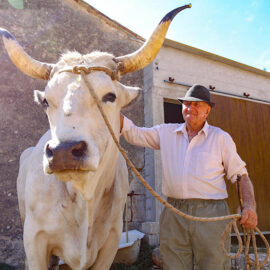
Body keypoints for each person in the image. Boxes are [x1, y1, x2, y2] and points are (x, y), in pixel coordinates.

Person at [120, 84, 257, 270]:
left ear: (207, 111)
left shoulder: (220, 138)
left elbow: (240, 176)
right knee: (173, 264)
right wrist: (110, 112)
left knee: (214, 265)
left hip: (211, 214)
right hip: (174, 211)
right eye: (186, 104)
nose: (190, 108)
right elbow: (135, 134)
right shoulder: (166, 132)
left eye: (196, 105)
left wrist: (248, 206)